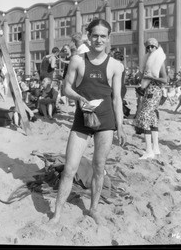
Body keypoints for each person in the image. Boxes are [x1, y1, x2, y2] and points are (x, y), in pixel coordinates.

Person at [51, 18, 126, 225]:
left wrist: (120, 127)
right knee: (69, 168)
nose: (99, 39)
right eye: (95, 35)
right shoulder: (77, 60)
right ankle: (57, 214)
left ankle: (93, 209)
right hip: (82, 119)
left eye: (103, 36)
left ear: (108, 38)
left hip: (105, 120)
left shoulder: (115, 65)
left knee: (99, 166)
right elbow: (66, 88)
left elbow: (117, 98)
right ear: (89, 36)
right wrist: (79, 98)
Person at [134, 38, 167, 160]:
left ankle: (149, 150)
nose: (149, 49)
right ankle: (156, 148)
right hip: (149, 91)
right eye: (147, 47)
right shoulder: (149, 60)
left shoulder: (159, 61)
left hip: (154, 91)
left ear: (156, 47)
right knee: (152, 118)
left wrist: (151, 77)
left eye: (152, 46)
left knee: (144, 116)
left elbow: (165, 80)